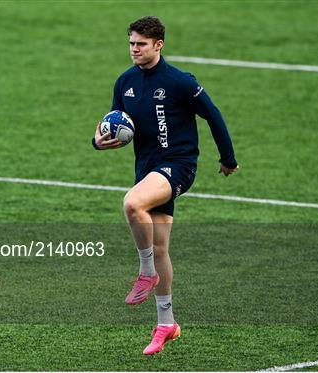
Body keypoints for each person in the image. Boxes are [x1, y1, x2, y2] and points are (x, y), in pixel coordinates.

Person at [92, 16, 238, 355]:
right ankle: (166, 324)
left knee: (131, 204)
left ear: (158, 44)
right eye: (131, 43)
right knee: (160, 249)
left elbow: (213, 115)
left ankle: (145, 273)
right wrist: (98, 143)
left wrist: (227, 159)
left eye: (141, 44)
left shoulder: (180, 82)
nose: (134, 49)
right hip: (147, 168)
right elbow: (114, 122)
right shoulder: (125, 82)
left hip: (179, 165)